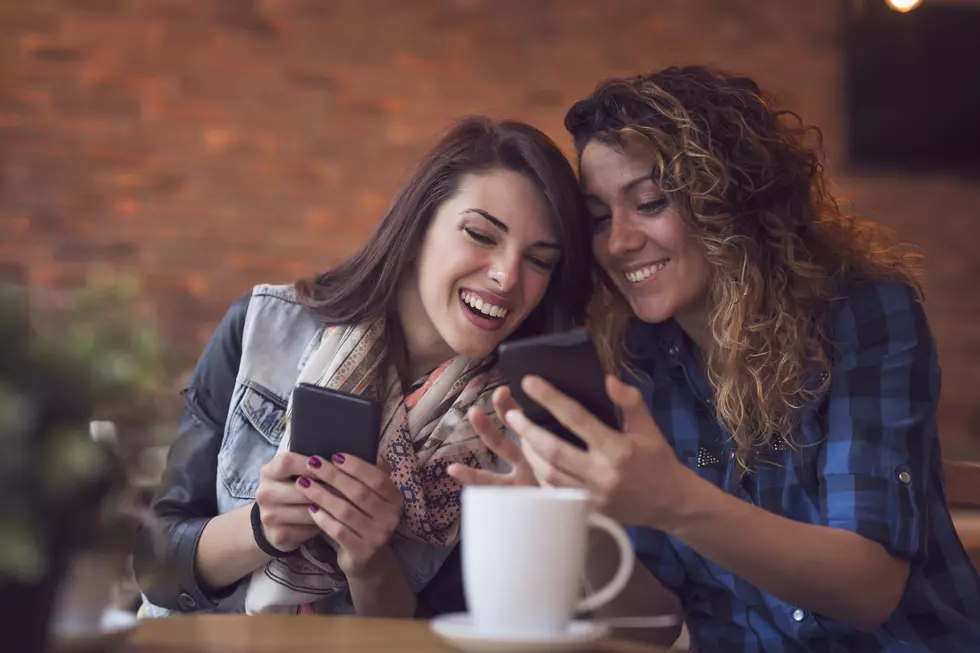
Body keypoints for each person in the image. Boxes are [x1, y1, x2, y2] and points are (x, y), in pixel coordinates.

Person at [450, 67, 980, 651]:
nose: (619, 241)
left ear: (732, 199)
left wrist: (677, 502)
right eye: (599, 218)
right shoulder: (636, 356)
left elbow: (869, 589)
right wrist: (571, 520)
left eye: (650, 202)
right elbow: (646, 626)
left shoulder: (863, 313)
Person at [134, 116, 593, 617]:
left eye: (540, 261)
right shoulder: (263, 328)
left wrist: (371, 559)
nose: (506, 277)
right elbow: (153, 561)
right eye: (481, 234)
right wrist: (261, 528)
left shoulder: (516, 428)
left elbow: (456, 634)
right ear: (419, 228)